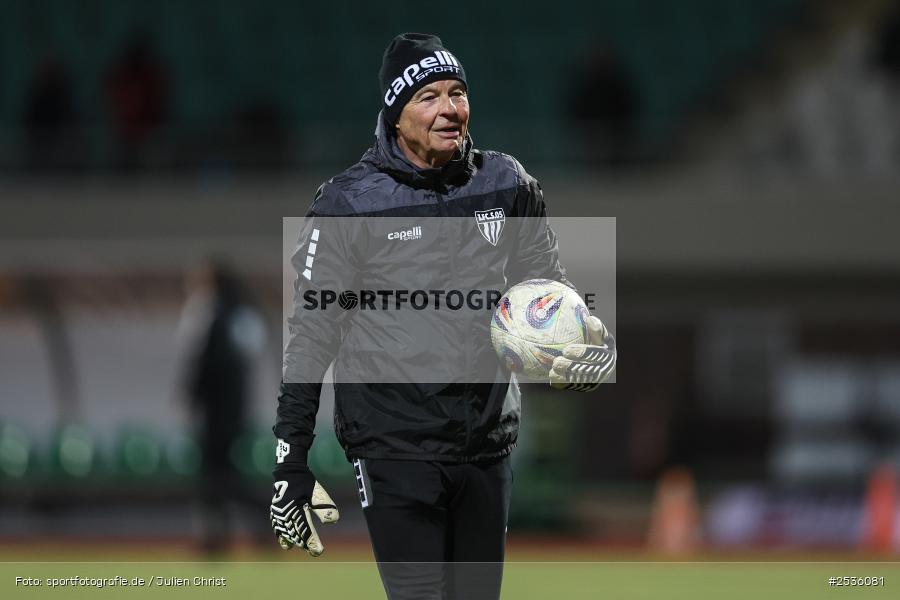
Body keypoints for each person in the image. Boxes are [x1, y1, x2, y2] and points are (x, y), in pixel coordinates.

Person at [270, 33, 616, 599]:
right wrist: (291, 462)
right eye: (429, 96)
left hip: (485, 448)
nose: (450, 109)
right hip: (393, 448)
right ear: (395, 113)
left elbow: (547, 289)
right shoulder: (348, 204)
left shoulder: (505, 185)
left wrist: (583, 341)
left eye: (458, 92)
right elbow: (312, 337)